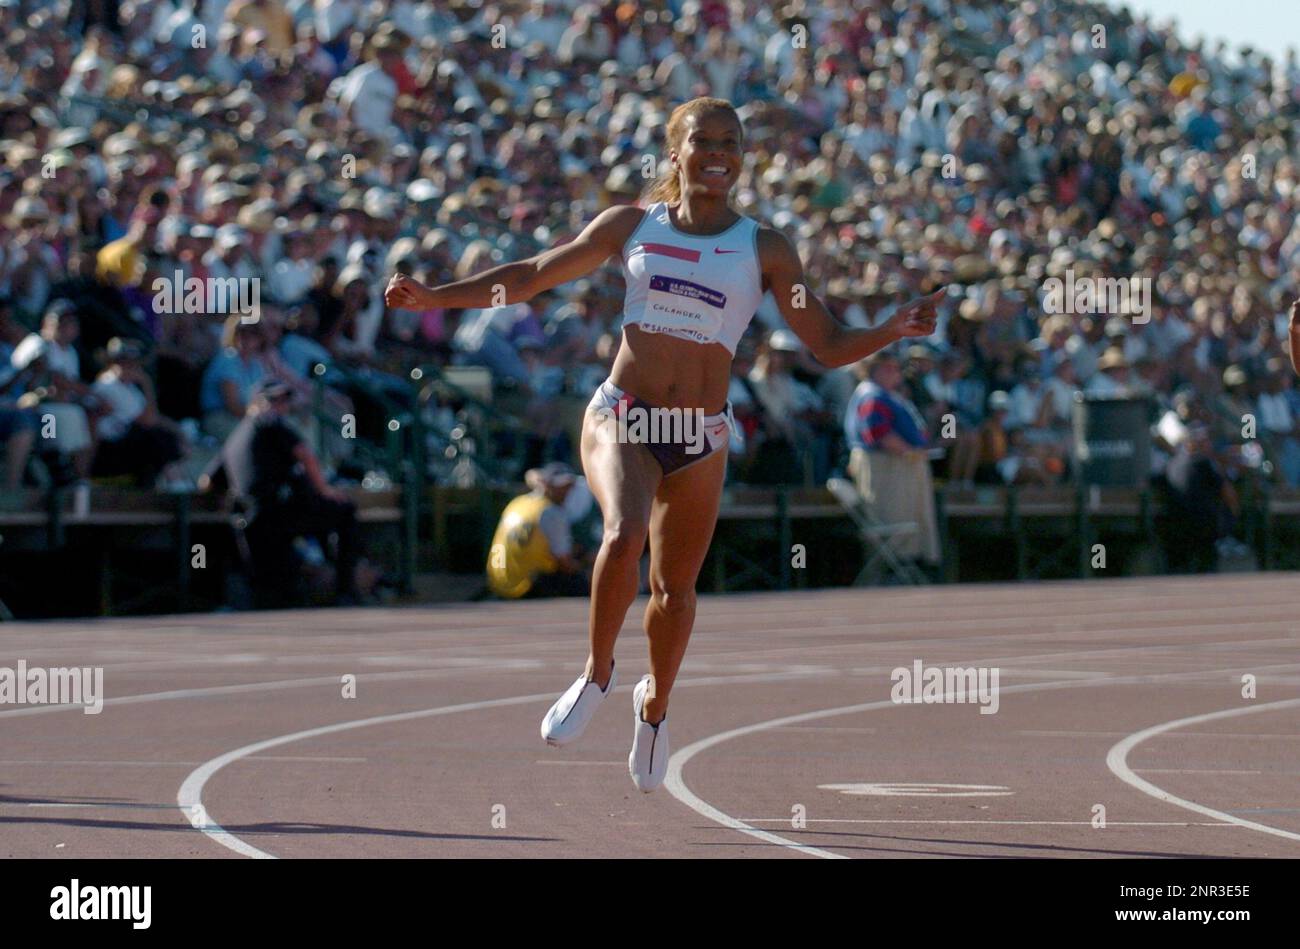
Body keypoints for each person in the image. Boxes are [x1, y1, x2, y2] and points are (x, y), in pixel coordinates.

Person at [386, 97, 941, 792]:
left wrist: (892, 327)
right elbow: (531, 273)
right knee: (621, 534)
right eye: (703, 140)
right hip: (626, 414)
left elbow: (825, 344)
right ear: (674, 153)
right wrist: (436, 298)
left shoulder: (763, 246)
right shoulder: (631, 224)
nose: (719, 152)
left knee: (674, 592)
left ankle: (654, 708)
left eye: (731, 142)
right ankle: (597, 673)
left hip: (700, 434)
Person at [219, 381, 361, 606]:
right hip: (275, 514)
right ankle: (344, 591)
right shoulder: (267, 421)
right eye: (274, 399)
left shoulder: (234, 436)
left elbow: (208, 480)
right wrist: (325, 490)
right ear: (257, 401)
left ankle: (325, 575)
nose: (281, 405)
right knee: (345, 510)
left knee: (319, 511)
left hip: (251, 521)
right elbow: (305, 454)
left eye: (285, 400)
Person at [486, 462, 590, 599]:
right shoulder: (552, 512)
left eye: (569, 487)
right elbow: (565, 563)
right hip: (526, 585)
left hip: (497, 580)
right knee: (583, 583)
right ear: (547, 485)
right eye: (562, 487)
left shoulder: (517, 502)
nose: (567, 492)